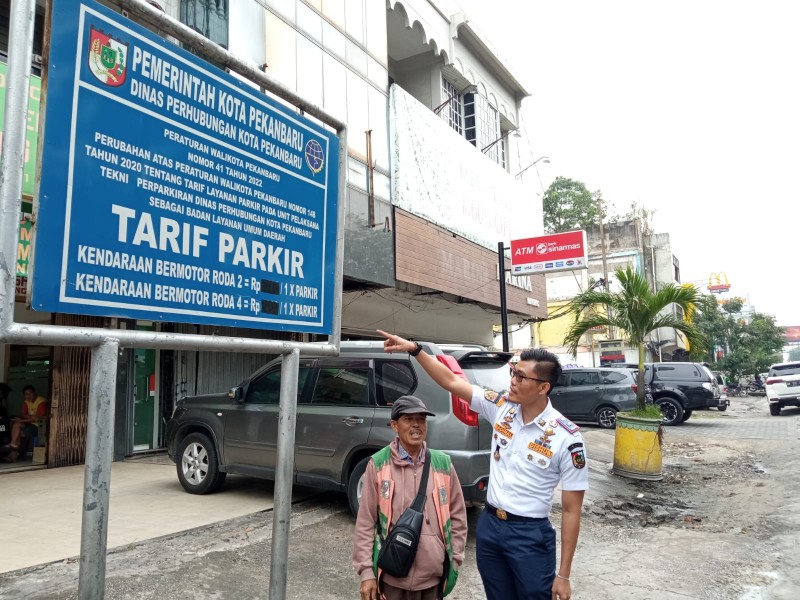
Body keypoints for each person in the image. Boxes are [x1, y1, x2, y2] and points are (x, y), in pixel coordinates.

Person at [378, 331, 588, 600]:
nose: (512, 381)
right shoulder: (501, 407)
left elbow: (571, 510)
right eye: (513, 373)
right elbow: (451, 381)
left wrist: (564, 575)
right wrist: (415, 349)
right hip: (490, 527)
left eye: (521, 377)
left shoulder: (566, 438)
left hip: (529, 535)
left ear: (543, 387)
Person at [353, 395, 467, 600]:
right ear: (395, 425)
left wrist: (455, 559)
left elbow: (458, 515)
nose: (416, 425)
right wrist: (366, 572)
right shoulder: (378, 464)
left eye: (421, 419)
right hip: (392, 578)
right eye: (408, 419)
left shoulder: (443, 464)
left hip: (432, 579)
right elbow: (365, 522)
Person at [2, 385, 48, 463]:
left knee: (19, 433)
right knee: (16, 425)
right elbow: (23, 414)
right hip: (30, 423)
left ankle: (14, 453)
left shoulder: (41, 402)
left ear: (34, 393)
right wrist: (31, 417)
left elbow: (38, 419)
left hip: (39, 426)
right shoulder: (26, 402)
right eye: (26, 394)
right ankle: (13, 444)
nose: (28, 396)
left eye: (30, 393)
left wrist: (23, 420)